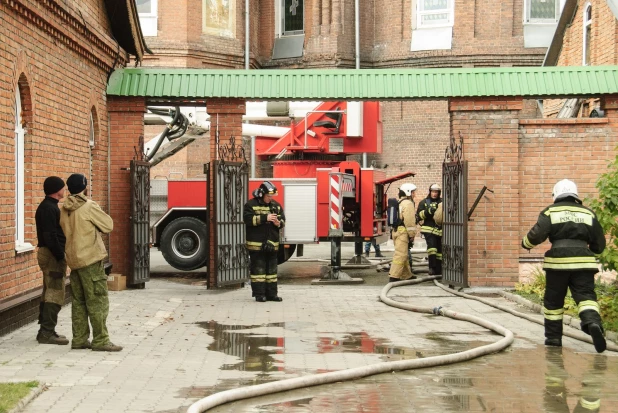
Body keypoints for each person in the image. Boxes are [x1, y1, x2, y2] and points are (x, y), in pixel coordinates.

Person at [522, 179, 606, 353]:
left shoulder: (550, 211)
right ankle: (592, 323)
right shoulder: (588, 213)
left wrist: (526, 244)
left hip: (557, 264)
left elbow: (537, 235)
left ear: (556, 194)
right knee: (586, 297)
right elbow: (599, 244)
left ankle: (553, 339)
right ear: (575, 194)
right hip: (584, 264)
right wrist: (590, 253)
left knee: (554, 301)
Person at [60, 173, 122, 352]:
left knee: (79, 301)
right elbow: (108, 225)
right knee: (97, 300)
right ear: (84, 187)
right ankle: (101, 340)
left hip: (74, 261)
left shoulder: (64, 208)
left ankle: (79, 339)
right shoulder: (88, 206)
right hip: (90, 260)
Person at [34, 176, 69, 345]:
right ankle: (47, 332)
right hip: (52, 255)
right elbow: (50, 235)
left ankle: (45, 329)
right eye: (63, 187)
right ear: (57, 190)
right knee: (55, 292)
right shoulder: (49, 208)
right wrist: (60, 255)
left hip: (50, 253)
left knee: (49, 290)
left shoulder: (50, 206)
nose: (65, 190)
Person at [243, 181, 286, 302]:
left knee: (272, 272)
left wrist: (279, 223)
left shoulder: (275, 206)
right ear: (261, 194)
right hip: (256, 245)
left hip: (272, 244)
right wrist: (264, 218)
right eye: (268, 196)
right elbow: (247, 219)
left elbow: (283, 220)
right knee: (258, 271)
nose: (270, 198)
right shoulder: (251, 205)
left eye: (271, 196)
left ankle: (272, 294)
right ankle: (259, 294)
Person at [388, 183, 417, 283]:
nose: (414, 195)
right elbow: (409, 221)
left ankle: (406, 274)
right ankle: (394, 276)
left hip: (396, 231)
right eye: (413, 192)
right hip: (403, 232)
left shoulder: (400, 202)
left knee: (403, 253)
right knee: (401, 254)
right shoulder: (408, 203)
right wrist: (412, 234)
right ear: (408, 192)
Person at [416, 183, 443, 275]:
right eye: (433, 191)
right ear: (430, 192)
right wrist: (428, 212)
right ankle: (432, 268)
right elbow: (418, 216)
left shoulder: (442, 202)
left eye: (436, 192)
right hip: (429, 230)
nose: (434, 194)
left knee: (440, 250)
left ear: (439, 193)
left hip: (440, 230)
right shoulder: (424, 202)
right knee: (432, 248)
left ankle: (439, 269)